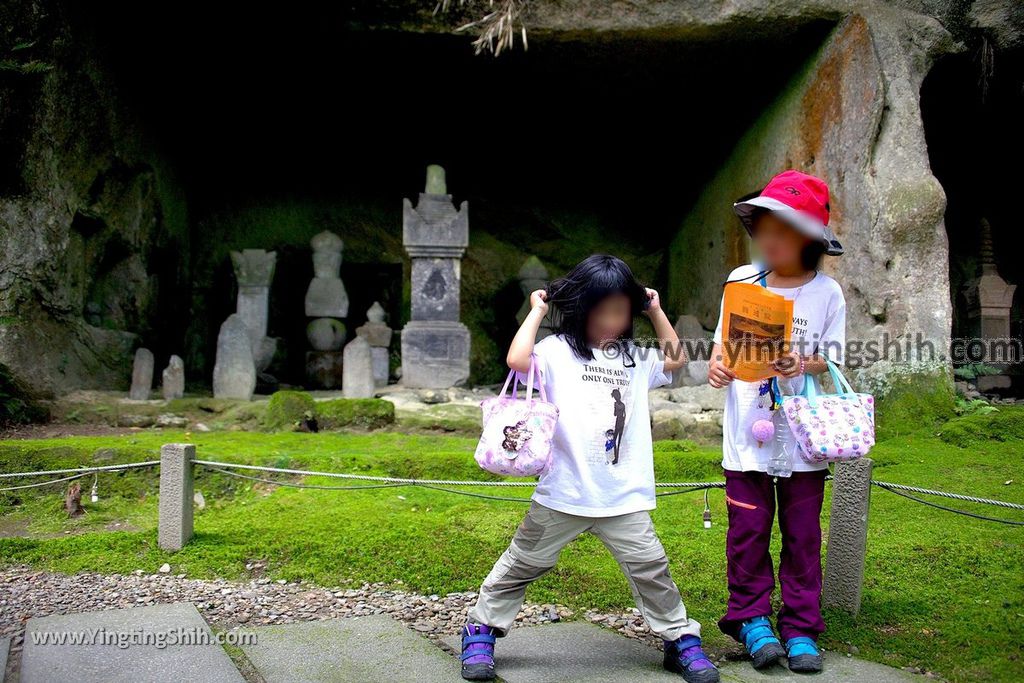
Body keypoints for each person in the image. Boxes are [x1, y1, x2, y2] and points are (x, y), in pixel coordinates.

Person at [459, 254, 719, 683]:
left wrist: (655, 310)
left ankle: (679, 639)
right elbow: (517, 360)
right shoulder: (556, 351)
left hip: (623, 496)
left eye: (620, 311)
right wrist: (538, 310)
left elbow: (676, 360)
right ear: (582, 309)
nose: (611, 321)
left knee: (651, 568)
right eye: (602, 311)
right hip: (563, 493)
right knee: (523, 561)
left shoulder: (634, 357)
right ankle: (481, 627)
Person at [708, 170, 846, 674]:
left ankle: (802, 625)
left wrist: (801, 362)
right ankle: (750, 618)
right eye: (764, 226)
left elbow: (831, 361)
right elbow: (723, 345)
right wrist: (718, 365)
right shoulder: (741, 282)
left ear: (810, 238)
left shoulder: (827, 293)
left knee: (803, 532)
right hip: (747, 430)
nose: (770, 238)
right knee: (748, 526)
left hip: (802, 437)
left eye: (784, 229)